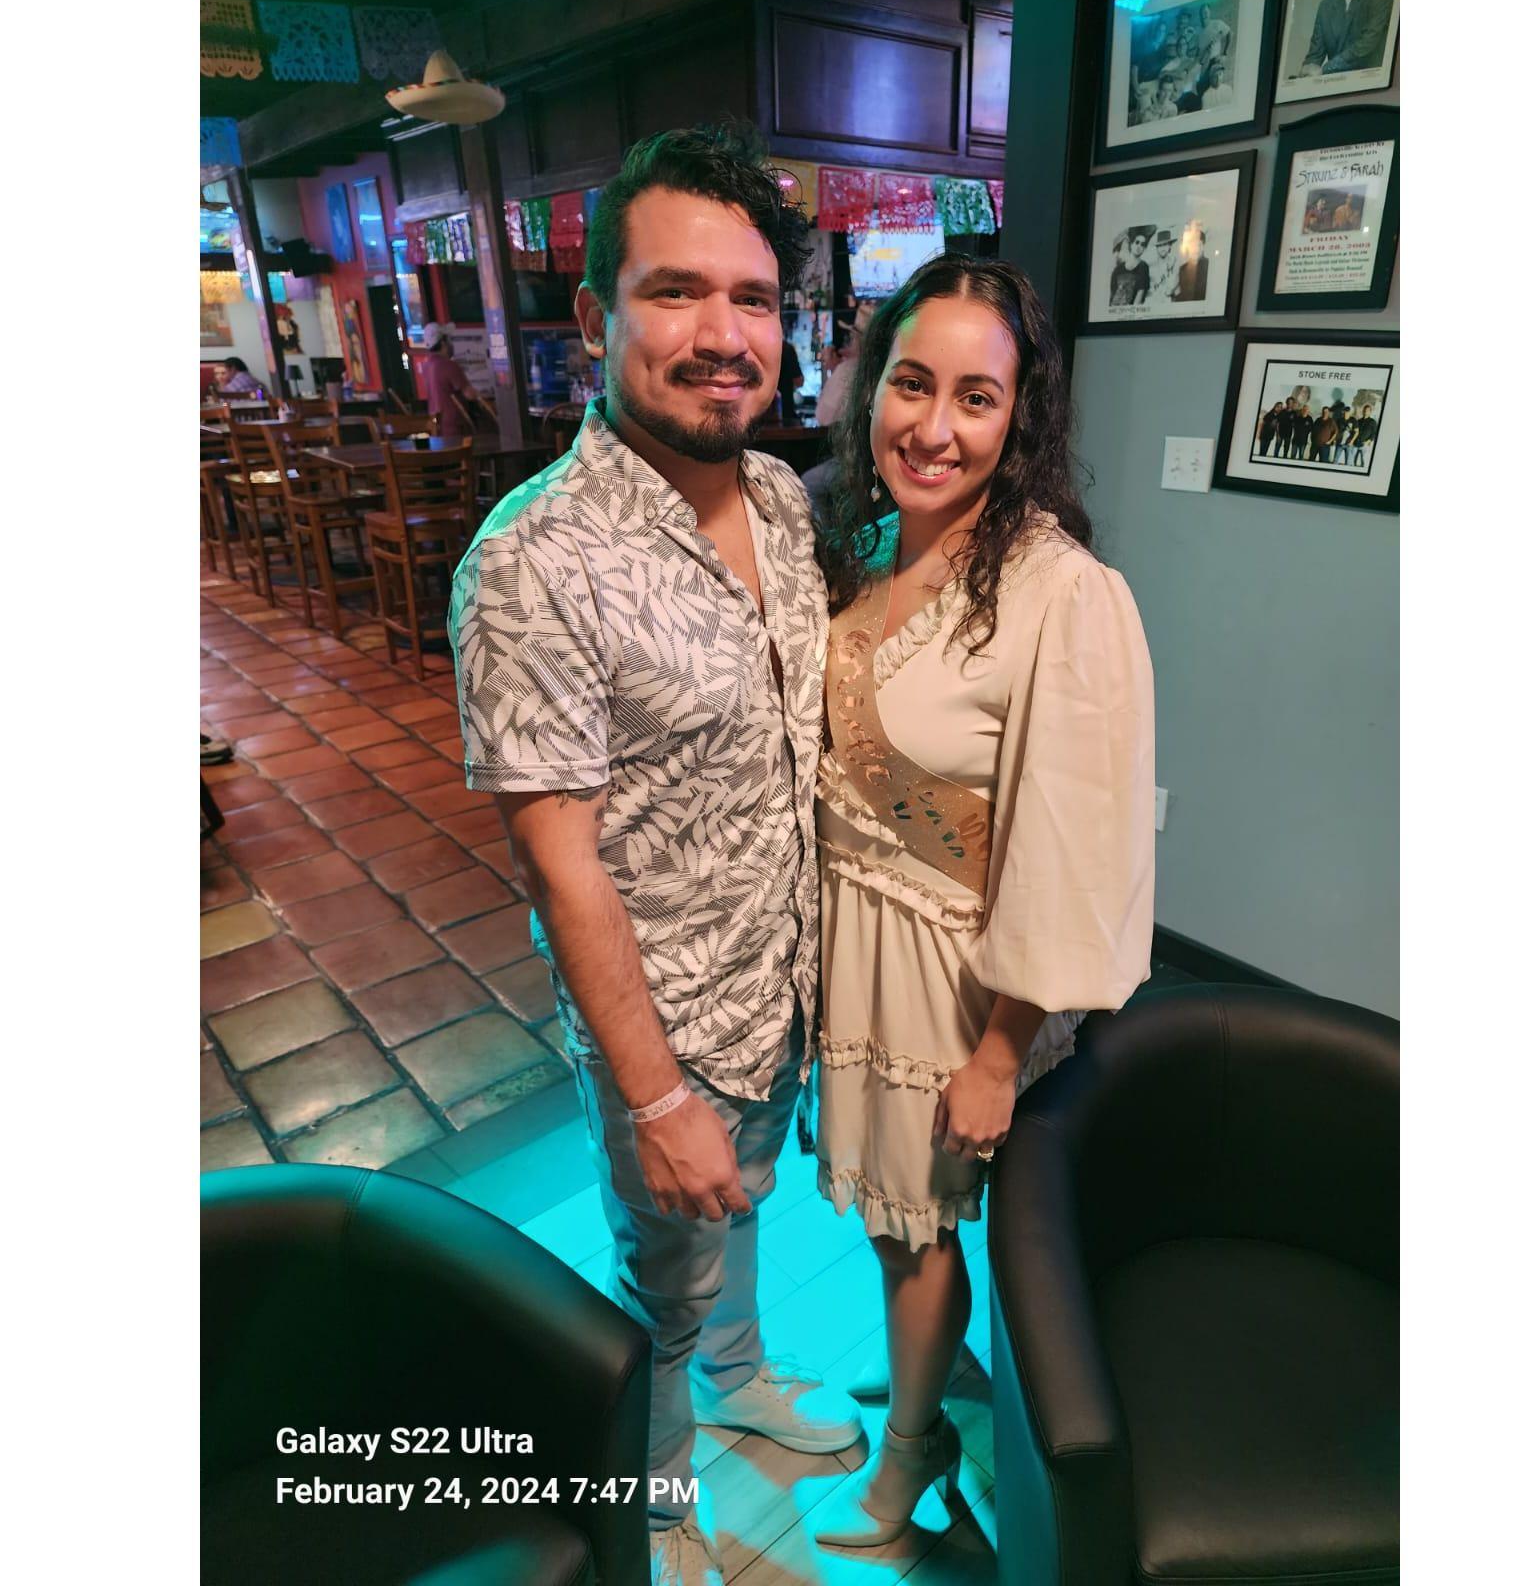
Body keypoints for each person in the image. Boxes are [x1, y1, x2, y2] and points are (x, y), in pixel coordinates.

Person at [449, 122, 860, 1586]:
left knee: (740, 1229)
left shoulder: (784, 502)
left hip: (783, 990)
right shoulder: (533, 559)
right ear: (594, 317)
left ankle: (739, 1382)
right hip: (667, 1029)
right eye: (676, 292)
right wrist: (657, 1094)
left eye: (754, 300)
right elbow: (561, 867)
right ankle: (653, 1473)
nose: (724, 337)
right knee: (660, 1276)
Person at [807, 253, 1155, 1548]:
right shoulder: (863, 547)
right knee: (894, 1223)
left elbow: (1075, 850)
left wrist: (1001, 1054)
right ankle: (930, 1368)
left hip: (955, 981)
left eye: (976, 398)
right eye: (911, 384)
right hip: (858, 944)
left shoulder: (1064, 594)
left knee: (918, 1234)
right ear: (871, 390)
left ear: (1021, 419)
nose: (933, 428)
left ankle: (912, 1459)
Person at [1298, 0, 1395, 79]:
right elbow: (1314, 56)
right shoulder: (1325, 6)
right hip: (1335, 85)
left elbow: (1368, 42)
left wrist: (1325, 69)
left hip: (1372, 83)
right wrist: (1307, 69)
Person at [413, 322, 482, 436]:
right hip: (455, 427)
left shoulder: (426, 366)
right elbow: (469, 394)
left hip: (436, 426)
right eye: (449, 340)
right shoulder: (449, 365)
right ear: (443, 343)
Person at [815, 300, 877, 426]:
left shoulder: (848, 369)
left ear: (858, 339)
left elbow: (823, 416)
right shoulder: (886, 370)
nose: (850, 340)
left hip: (846, 438)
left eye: (852, 336)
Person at [1108, 228, 1153, 307]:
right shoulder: (1118, 269)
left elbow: (1140, 293)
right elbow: (1112, 294)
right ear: (1131, 244)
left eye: (1142, 244)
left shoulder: (1143, 267)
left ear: (1144, 249)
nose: (1139, 246)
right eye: (1137, 242)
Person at [1174, 221, 1209, 302]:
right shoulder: (1182, 269)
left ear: (1203, 246)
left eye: (1199, 245)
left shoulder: (1209, 266)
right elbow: (1184, 295)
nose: (1196, 249)